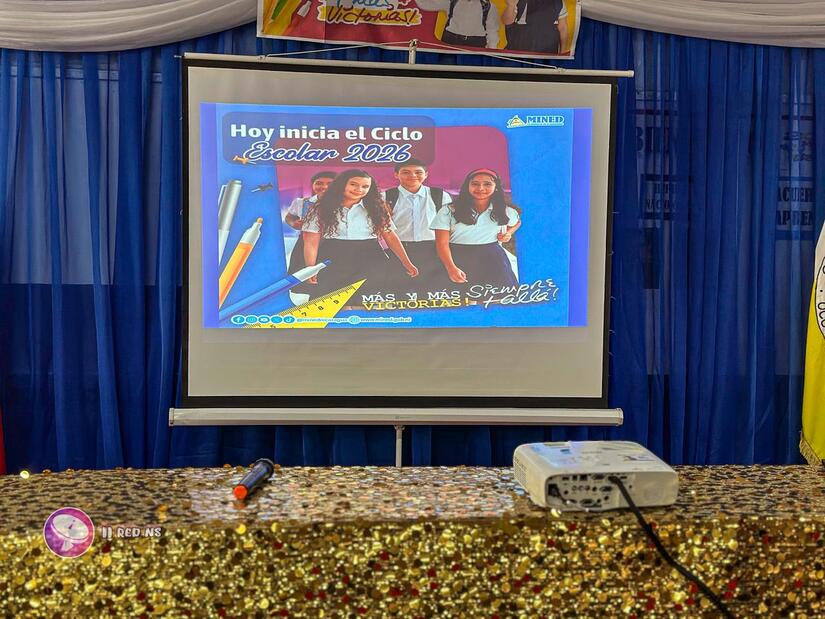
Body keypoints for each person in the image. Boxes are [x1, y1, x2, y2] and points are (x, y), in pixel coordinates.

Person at [301, 170, 418, 302]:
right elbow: (311, 242)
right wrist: (310, 268)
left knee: (365, 301)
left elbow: (390, 236)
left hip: (371, 258)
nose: (359, 189)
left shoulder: (377, 208)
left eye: (365, 186)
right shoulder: (320, 208)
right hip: (333, 257)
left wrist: (406, 262)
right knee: (333, 302)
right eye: (353, 184)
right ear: (341, 184)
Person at [430, 168, 520, 289]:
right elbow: (441, 243)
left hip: (493, 259)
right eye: (475, 184)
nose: (481, 188)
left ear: (496, 187)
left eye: (487, 184)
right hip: (457, 257)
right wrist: (451, 268)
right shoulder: (449, 210)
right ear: (467, 186)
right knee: (460, 297)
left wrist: (508, 233)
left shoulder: (506, 210)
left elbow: (517, 222)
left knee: (497, 298)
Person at [383, 158, 452, 296]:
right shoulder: (385, 197)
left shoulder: (440, 196)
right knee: (398, 293)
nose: (413, 176)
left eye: (418, 172)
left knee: (432, 293)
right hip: (398, 250)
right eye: (406, 172)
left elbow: (450, 226)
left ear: (426, 174)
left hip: (433, 250)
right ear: (396, 174)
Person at [284, 171, 336, 273]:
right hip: (305, 244)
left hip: (333, 244)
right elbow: (289, 217)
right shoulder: (302, 202)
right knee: (300, 274)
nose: (324, 187)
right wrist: (293, 223)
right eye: (319, 183)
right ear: (312, 185)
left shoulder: (346, 204)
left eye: (330, 184)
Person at [416, 0, 500, 49]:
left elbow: (492, 29)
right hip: (451, 40)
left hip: (476, 43)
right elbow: (425, 4)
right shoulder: (451, 1)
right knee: (446, 70)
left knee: (472, 71)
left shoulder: (489, 6)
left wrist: (492, 48)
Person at [502, 0, 568, 54]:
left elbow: (563, 27)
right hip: (520, 52)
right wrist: (511, 6)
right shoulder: (518, 1)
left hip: (548, 54)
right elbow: (507, 21)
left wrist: (562, 52)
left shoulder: (558, 2)